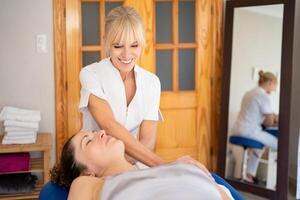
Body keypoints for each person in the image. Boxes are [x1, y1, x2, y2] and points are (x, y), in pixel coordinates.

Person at [79, 6, 165, 167]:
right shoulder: (90, 74)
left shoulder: (152, 82)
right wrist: (165, 165)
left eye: (134, 45)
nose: (127, 55)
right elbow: (109, 125)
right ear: (106, 42)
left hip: (134, 163)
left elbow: (148, 140)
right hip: (95, 165)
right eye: (118, 46)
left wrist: (123, 165)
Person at [50, 130, 236, 200]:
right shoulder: (86, 184)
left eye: (93, 132)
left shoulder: (173, 167)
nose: (100, 132)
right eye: (88, 142)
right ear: (87, 173)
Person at [232, 70, 278, 183]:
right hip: (249, 131)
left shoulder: (249, 93)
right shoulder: (263, 95)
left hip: (238, 129)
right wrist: (274, 118)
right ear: (270, 82)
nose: (274, 89)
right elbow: (269, 122)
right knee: (279, 144)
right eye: (275, 86)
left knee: (258, 147)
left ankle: (249, 175)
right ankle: (276, 181)